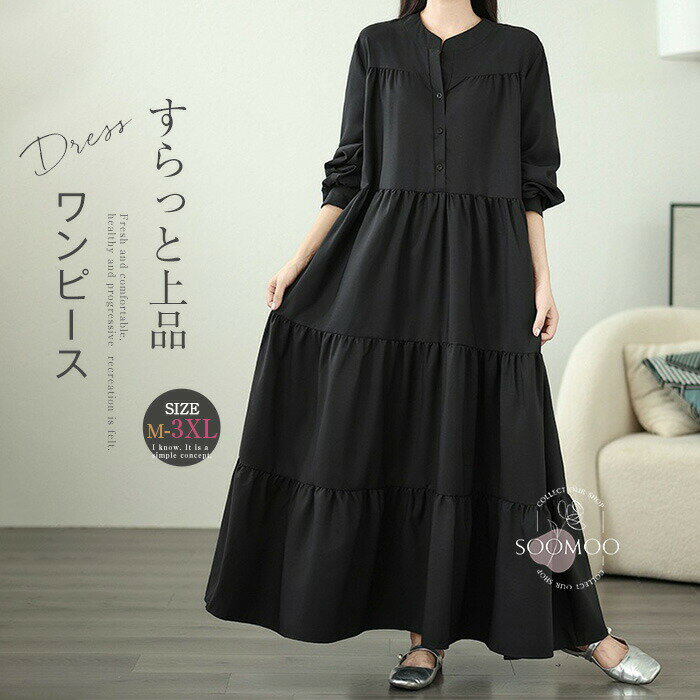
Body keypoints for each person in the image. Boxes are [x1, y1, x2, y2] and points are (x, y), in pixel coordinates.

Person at [206, 0, 661, 690]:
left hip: (488, 271)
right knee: (405, 447)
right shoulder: (377, 46)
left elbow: (532, 182)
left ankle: (583, 627)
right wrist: (298, 262)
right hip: (385, 271)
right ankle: (424, 641)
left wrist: (543, 282)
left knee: (516, 458)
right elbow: (350, 170)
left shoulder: (519, 50)